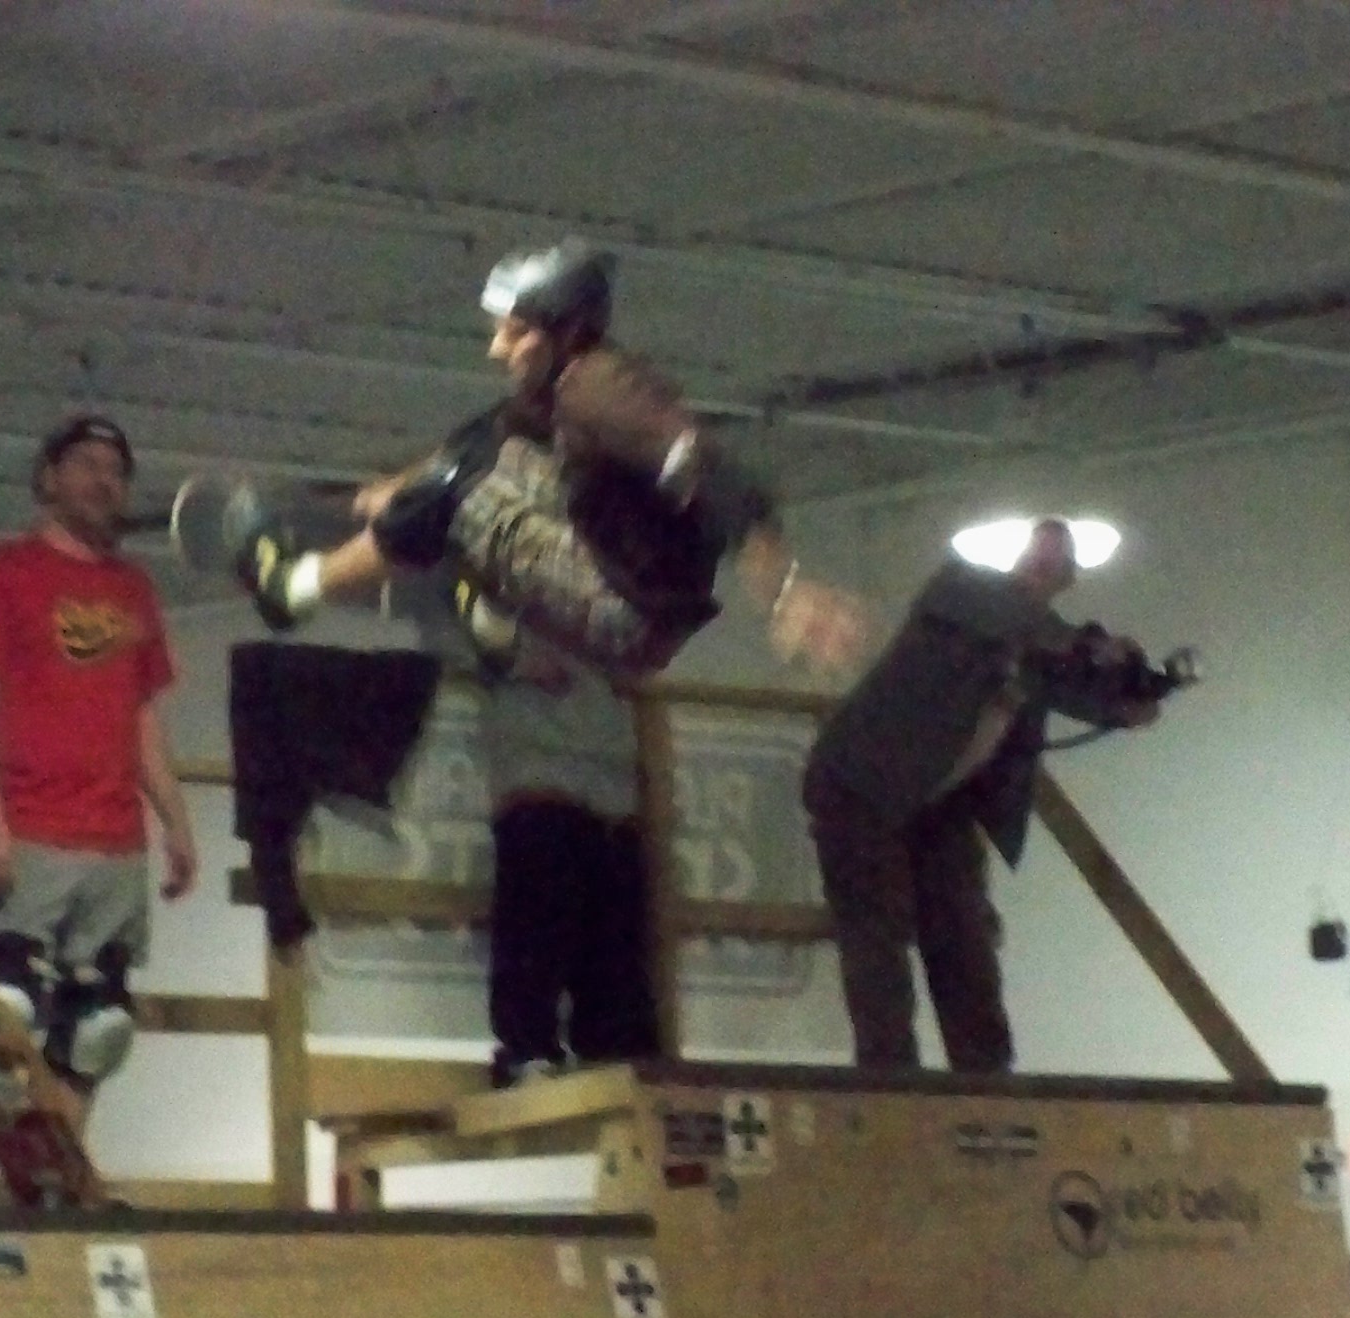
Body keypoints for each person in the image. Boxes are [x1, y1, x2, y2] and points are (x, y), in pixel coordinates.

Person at [229, 238, 867, 678]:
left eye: (514, 332)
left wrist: (787, 592)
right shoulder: (561, 383)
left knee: (461, 485)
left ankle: (296, 588)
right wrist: (390, 492)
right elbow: (493, 434)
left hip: (628, 616)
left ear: (560, 331)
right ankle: (488, 611)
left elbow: (721, 480)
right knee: (479, 450)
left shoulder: (602, 392)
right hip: (620, 578)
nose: (497, 349)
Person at [0, 413, 198, 1206]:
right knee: (2, 1009)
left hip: (114, 836)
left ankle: (56, 1174)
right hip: (33, 825)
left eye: (115, 469)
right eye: (84, 464)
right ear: (47, 478)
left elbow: (143, 716)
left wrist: (177, 821)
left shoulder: (132, 591)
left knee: (98, 1026)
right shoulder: (1, 575)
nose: (102, 481)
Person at [800, 518, 1158, 1073]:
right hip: (861, 783)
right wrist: (1096, 652)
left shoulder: (1033, 644)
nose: (1041, 561)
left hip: (933, 801)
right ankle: (890, 1076)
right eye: (1041, 548)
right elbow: (1034, 630)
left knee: (962, 934)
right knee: (878, 935)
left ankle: (986, 1078)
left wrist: (1130, 694)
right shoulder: (963, 588)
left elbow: (1084, 686)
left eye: (1054, 555)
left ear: (1067, 575)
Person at [476, 627, 659, 1089]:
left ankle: (615, 1051)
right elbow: (460, 613)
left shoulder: (619, 578)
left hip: (609, 774)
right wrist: (516, 654)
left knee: (615, 931)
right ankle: (527, 1050)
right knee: (538, 915)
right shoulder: (510, 570)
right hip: (539, 765)